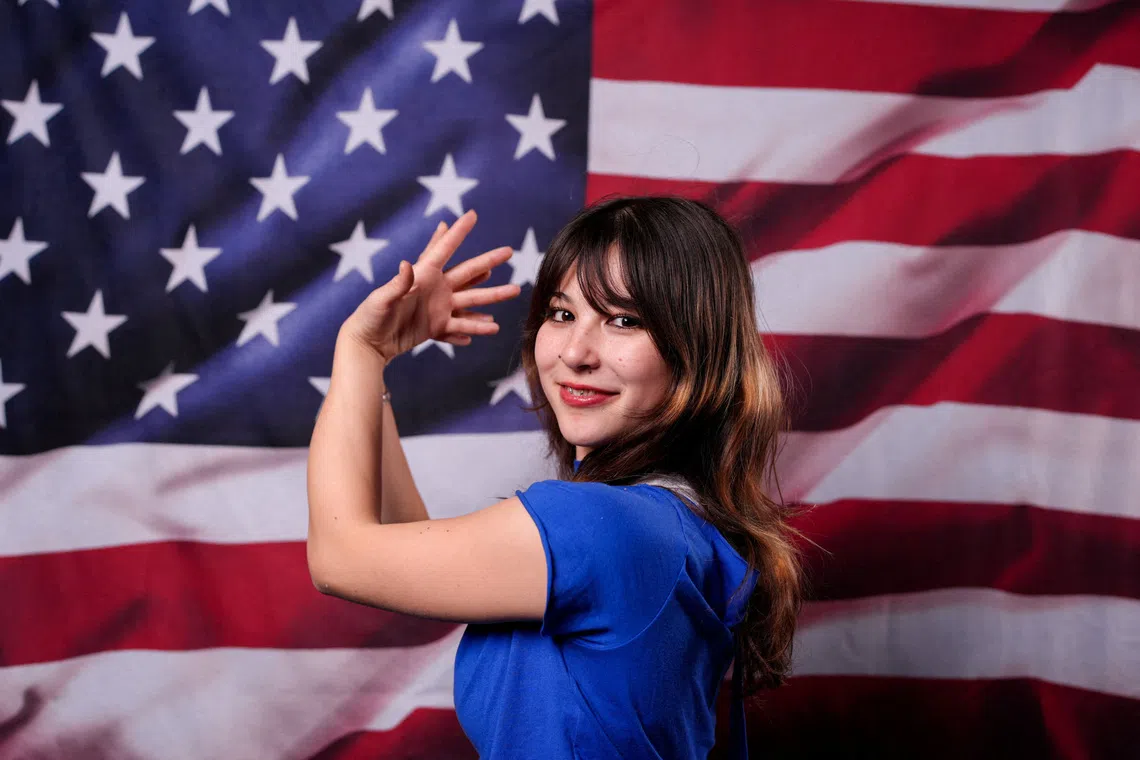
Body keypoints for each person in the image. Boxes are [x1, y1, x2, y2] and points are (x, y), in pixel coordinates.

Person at [307, 196, 805, 759]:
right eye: (562, 313)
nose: (575, 352)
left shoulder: (605, 528)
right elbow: (400, 554)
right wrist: (373, 366)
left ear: (696, 350)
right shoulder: (664, 523)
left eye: (624, 320)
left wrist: (355, 345)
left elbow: (340, 558)